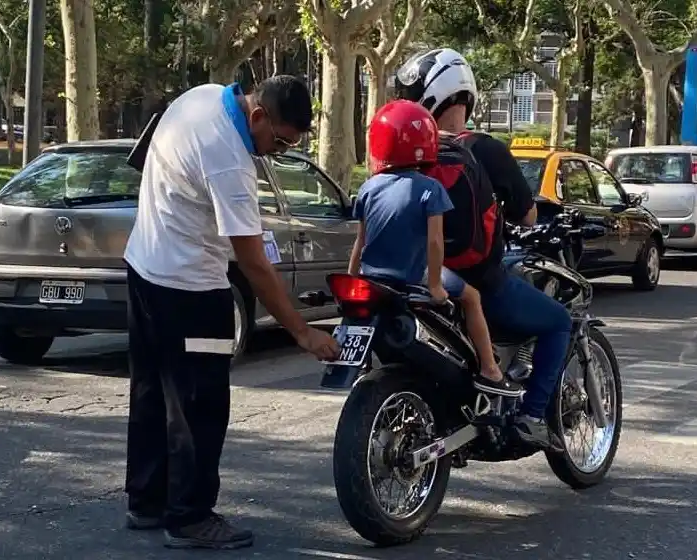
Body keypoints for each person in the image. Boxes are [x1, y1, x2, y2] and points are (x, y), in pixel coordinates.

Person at [122, 75, 340, 550]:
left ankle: (147, 500)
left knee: (151, 392)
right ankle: (190, 517)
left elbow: (144, 160)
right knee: (200, 405)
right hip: (191, 292)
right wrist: (303, 333)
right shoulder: (230, 162)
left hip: (143, 267)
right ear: (258, 114)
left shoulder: (199, 97)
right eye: (278, 142)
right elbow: (255, 264)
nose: (272, 154)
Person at [394, 48, 573, 449]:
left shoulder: (404, 148)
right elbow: (527, 217)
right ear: (463, 94)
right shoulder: (486, 148)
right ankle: (530, 416)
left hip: (412, 275)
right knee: (559, 321)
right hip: (476, 281)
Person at [348, 100, 514, 395]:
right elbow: (435, 242)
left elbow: (360, 242)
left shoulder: (368, 188)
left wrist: (352, 280)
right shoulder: (430, 188)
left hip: (372, 279)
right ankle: (490, 369)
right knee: (472, 297)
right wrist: (436, 285)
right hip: (413, 276)